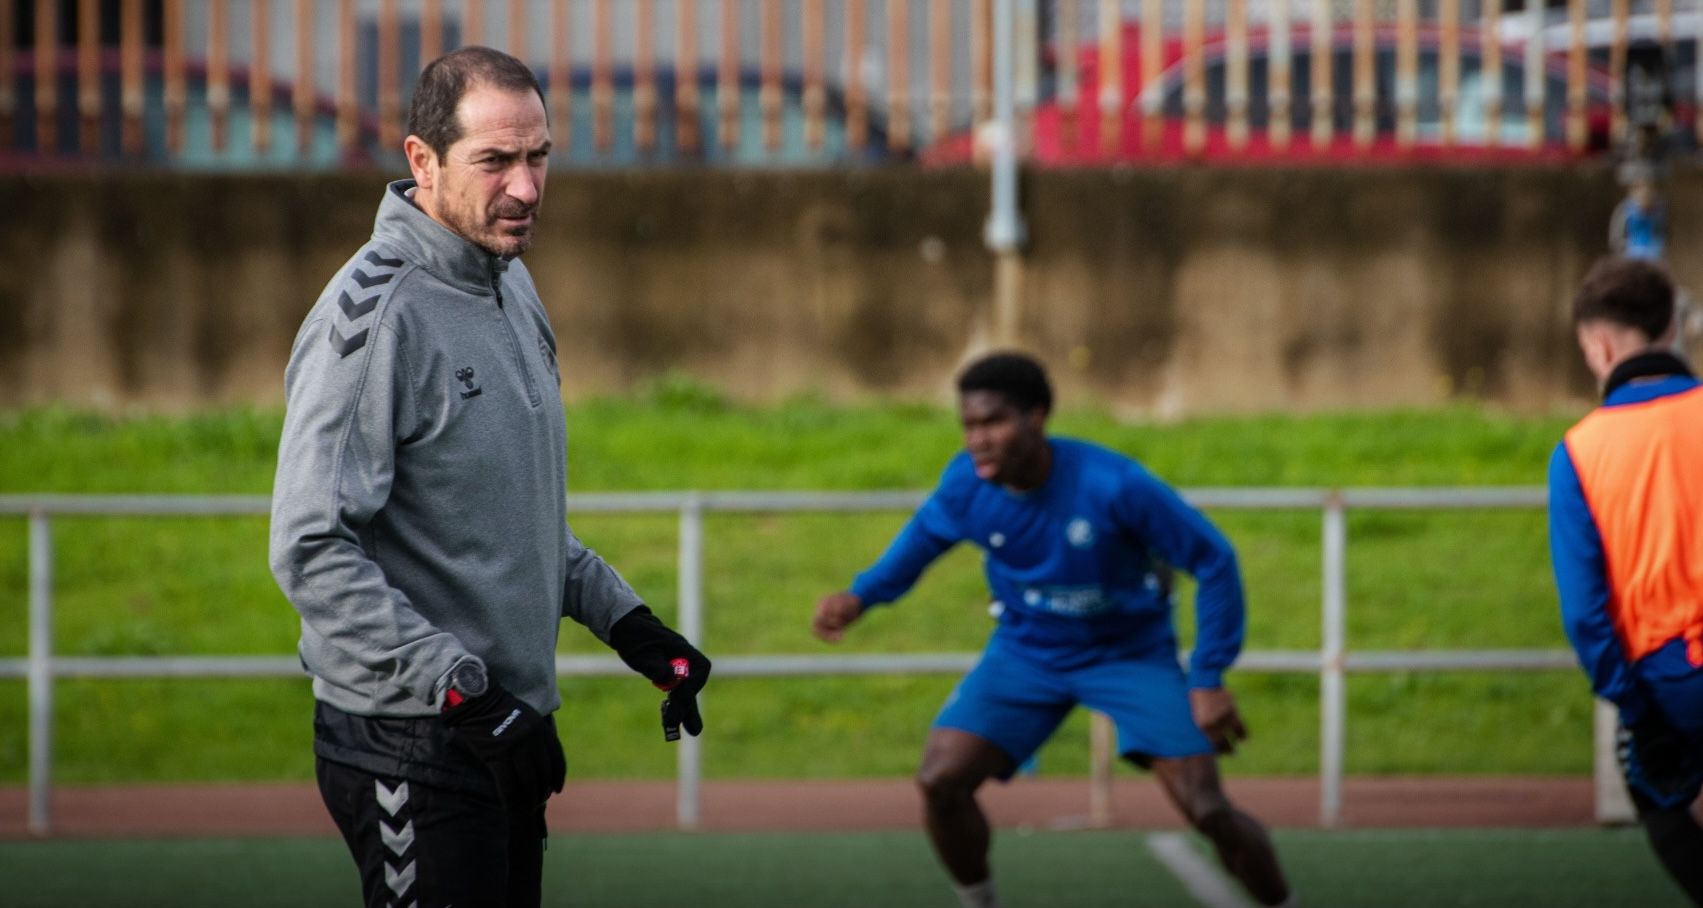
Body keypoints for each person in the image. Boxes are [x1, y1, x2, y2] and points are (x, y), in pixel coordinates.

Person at [269, 46, 710, 908]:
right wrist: (465, 694)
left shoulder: (509, 281)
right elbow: (311, 548)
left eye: (539, 156)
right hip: (410, 741)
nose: (527, 188)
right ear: (422, 160)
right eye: (495, 161)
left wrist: (630, 625)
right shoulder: (375, 318)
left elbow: (506, 517)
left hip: (503, 730)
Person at [811, 352, 1294, 908]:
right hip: (1028, 651)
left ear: (1037, 417)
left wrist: (1207, 676)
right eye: (969, 425)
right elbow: (920, 542)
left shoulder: (1114, 484)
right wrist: (861, 596)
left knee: (1207, 809)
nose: (978, 440)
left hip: (1129, 653)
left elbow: (1213, 559)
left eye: (994, 422)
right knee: (940, 781)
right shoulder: (967, 485)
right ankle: (980, 902)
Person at [1549, 257, 1703, 907]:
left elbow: (1585, 616)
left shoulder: (1579, 451)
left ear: (1599, 347)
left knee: (1656, 790)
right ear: (1671, 327)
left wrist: (1638, 715)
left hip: (1670, 684)